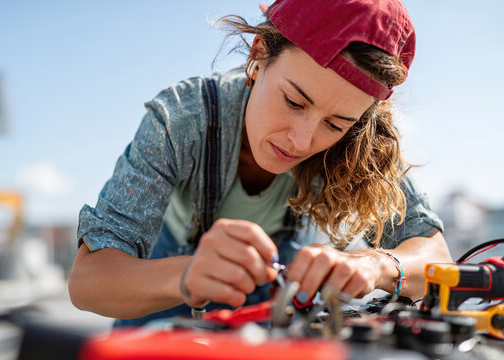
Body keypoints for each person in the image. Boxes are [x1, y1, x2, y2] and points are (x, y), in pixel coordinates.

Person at [69, 0, 452, 327]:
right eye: (294, 102)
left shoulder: (361, 140)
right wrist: (187, 274)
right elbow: (88, 281)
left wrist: (376, 264)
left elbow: (437, 258)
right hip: (163, 284)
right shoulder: (182, 118)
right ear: (258, 54)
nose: (300, 142)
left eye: (335, 124)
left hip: (279, 294)